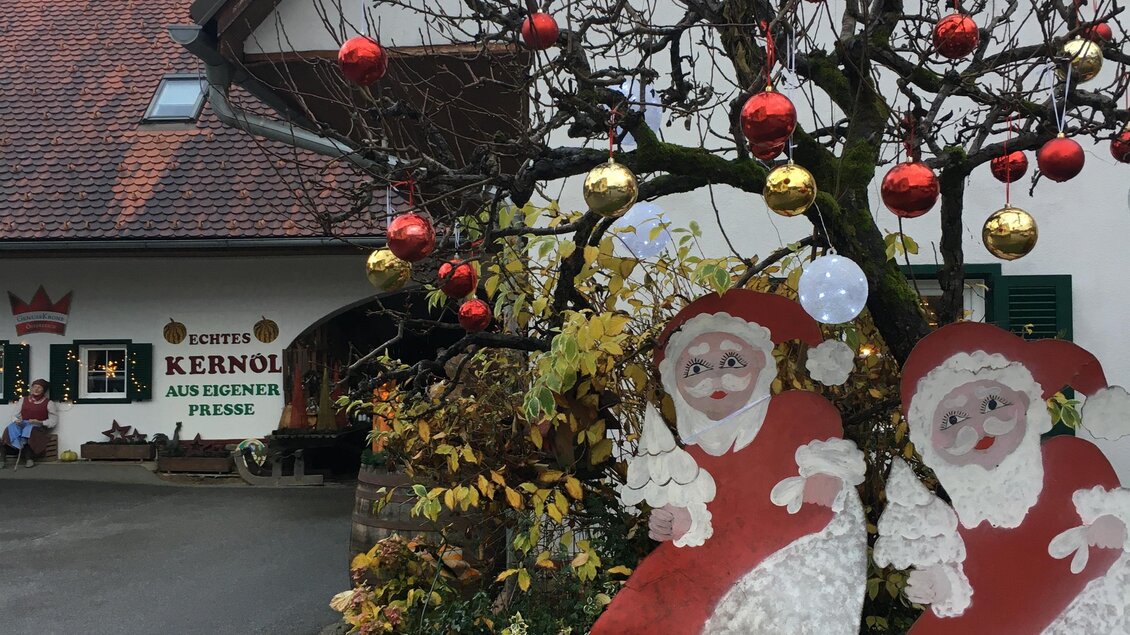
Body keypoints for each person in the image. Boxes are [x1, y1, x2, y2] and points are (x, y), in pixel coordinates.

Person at [592, 290, 867, 634]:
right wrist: (676, 522)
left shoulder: (797, 412)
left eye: (733, 362)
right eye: (696, 368)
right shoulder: (692, 454)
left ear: (760, 364)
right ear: (676, 383)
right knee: (638, 614)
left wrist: (824, 475)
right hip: (710, 567)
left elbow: (826, 457)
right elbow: (699, 521)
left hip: (789, 559)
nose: (716, 377)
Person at [874, 321, 1130, 633]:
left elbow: (1118, 511)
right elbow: (972, 588)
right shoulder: (959, 524)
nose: (978, 427)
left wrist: (1113, 522)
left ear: (1024, 402)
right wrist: (940, 585)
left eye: (992, 403)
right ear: (933, 444)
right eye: (952, 419)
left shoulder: (1072, 461)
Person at [2, 378, 58, 468]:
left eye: (39, 387)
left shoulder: (48, 403)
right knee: (10, 428)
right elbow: (15, 415)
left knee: (29, 431)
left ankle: (29, 458)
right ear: (31, 388)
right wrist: (17, 420)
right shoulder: (23, 400)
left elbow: (53, 421)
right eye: (34, 387)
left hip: (38, 427)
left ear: (43, 390)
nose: (36, 389)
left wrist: (39, 422)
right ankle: (2, 458)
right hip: (23, 424)